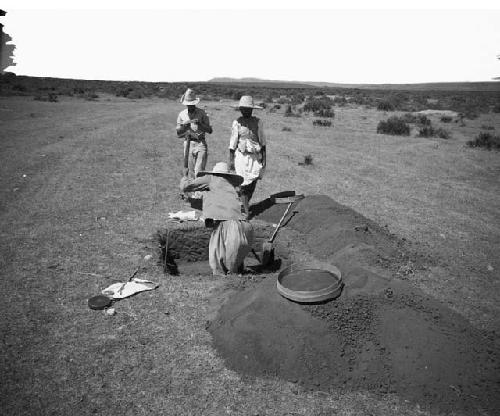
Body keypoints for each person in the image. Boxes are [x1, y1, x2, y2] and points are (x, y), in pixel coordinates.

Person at [179, 162, 254, 276]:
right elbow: (216, 205)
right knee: (235, 255)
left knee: (218, 259)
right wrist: (189, 201)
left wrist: (184, 176)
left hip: (228, 225)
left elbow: (185, 187)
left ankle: (226, 278)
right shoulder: (230, 185)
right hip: (245, 227)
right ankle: (237, 271)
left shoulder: (211, 178)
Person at [228, 95, 266, 218]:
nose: (245, 111)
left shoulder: (258, 122)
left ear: (252, 109)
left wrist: (264, 158)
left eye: (248, 109)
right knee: (243, 185)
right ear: (240, 109)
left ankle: (243, 205)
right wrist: (231, 160)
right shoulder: (237, 122)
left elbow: (263, 142)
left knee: (253, 182)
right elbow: (233, 143)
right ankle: (246, 210)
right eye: (243, 109)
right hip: (241, 157)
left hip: (255, 157)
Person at [176, 88, 213, 178]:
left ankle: (199, 191)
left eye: (192, 104)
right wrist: (184, 126)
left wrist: (200, 124)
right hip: (188, 143)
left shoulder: (202, 113)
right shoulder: (182, 114)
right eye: (188, 105)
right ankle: (192, 191)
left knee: (199, 171)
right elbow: (178, 133)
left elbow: (210, 130)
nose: (190, 106)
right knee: (190, 170)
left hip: (200, 143)